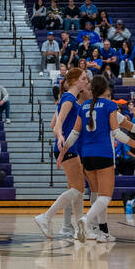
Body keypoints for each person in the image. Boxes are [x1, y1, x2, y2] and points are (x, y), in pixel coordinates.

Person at [61, 74, 135, 242]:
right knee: (105, 196)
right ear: (106, 89)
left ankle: (103, 232)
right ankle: (86, 221)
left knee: (97, 195)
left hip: (86, 156)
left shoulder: (84, 106)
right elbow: (116, 133)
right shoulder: (109, 105)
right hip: (103, 154)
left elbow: (73, 134)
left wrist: (62, 152)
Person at [35, 68, 89, 239]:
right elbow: (57, 125)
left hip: (70, 146)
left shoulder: (68, 98)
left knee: (78, 190)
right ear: (74, 80)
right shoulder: (69, 98)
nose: (86, 81)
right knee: (78, 189)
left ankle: (79, 228)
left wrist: (59, 132)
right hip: (68, 147)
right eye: (83, 78)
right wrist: (61, 135)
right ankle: (46, 217)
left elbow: (52, 123)